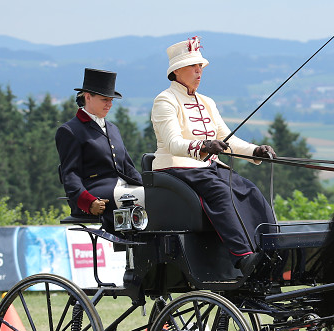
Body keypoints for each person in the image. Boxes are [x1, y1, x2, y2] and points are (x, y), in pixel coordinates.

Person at [151, 36, 276, 276]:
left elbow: (228, 139)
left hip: (208, 168)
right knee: (221, 192)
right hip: (177, 168)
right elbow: (173, 143)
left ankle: (269, 252)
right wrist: (204, 146)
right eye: (193, 67)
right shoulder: (165, 100)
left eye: (200, 67)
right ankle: (243, 257)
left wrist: (255, 151)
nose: (199, 71)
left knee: (250, 191)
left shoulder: (207, 102)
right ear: (177, 71)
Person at [56, 68, 144, 223]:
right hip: (96, 193)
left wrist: (149, 188)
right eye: (105, 99)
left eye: (111, 100)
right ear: (88, 97)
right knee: (134, 200)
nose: (109, 104)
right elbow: (70, 174)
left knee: (156, 198)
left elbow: (128, 168)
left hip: (123, 189)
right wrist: (88, 202)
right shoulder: (70, 130)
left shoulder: (113, 129)